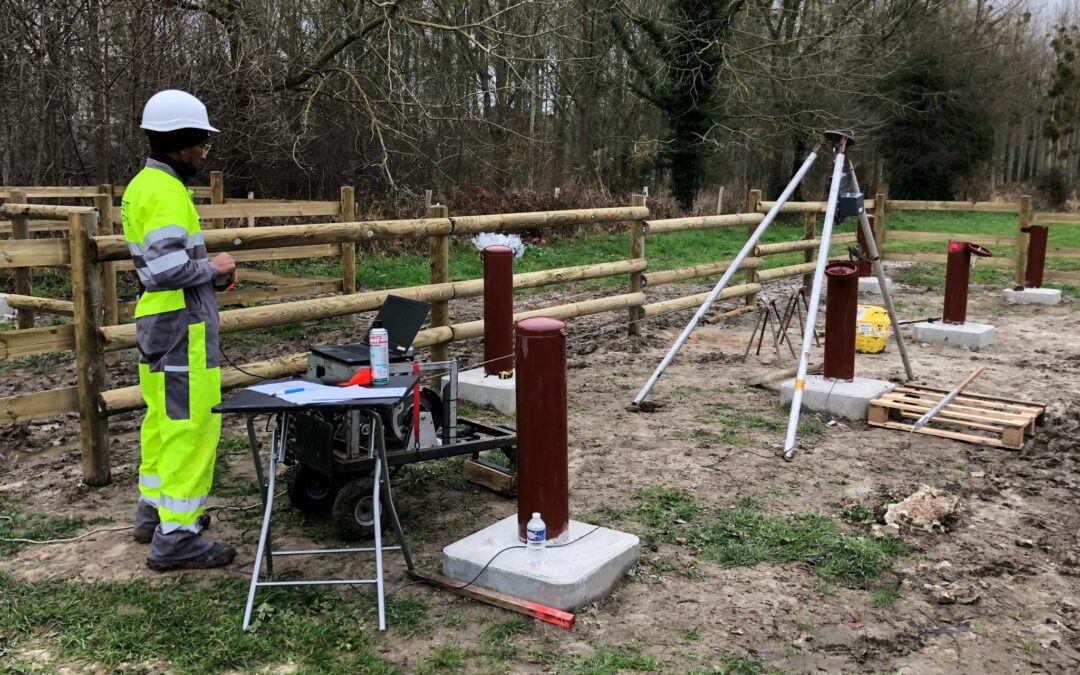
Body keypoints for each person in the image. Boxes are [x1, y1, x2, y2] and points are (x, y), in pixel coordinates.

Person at [123, 89, 237, 571]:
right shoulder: (168, 193)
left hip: (157, 320)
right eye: (200, 142)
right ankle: (177, 538)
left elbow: (151, 269)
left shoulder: (141, 186)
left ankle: (154, 512)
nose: (204, 150)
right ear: (180, 140)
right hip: (182, 327)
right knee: (191, 426)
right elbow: (165, 268)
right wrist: (215, 267)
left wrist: (206, 272)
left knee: (161, 422)